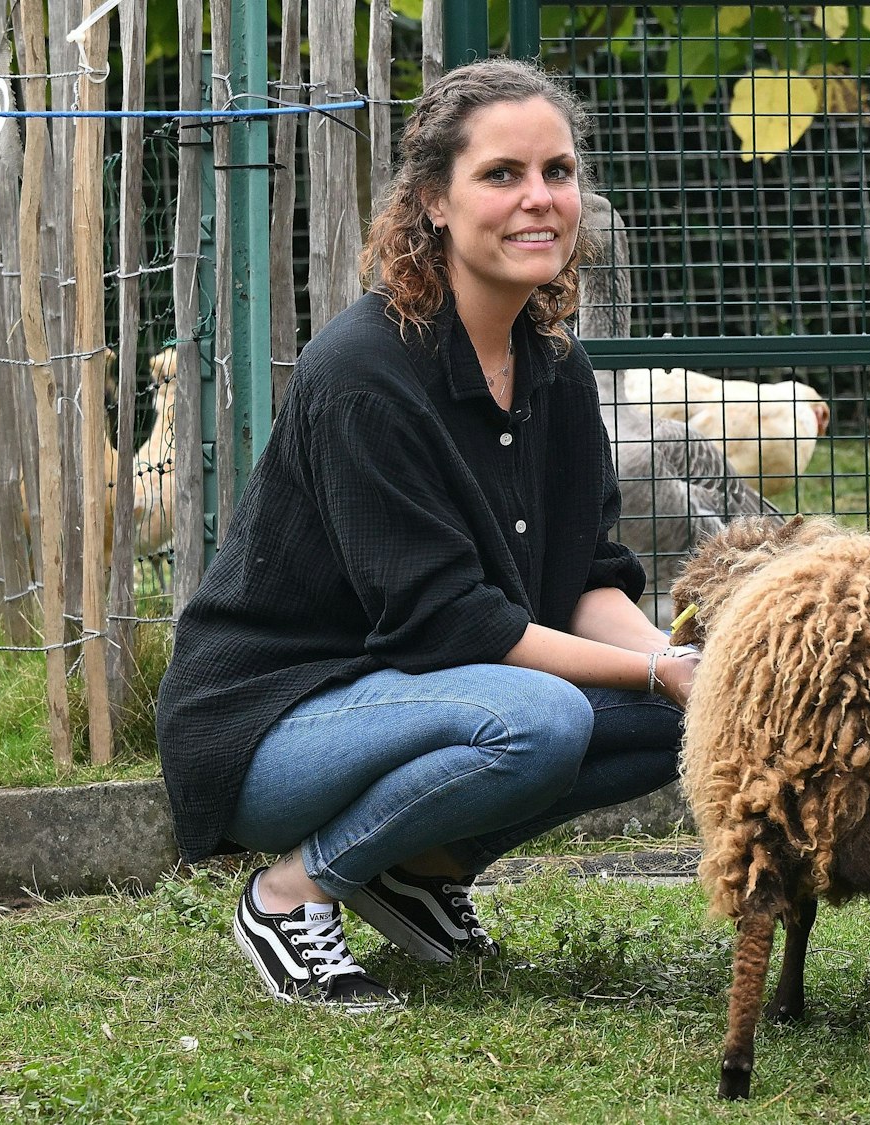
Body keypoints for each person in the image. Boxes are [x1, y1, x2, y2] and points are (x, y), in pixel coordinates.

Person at [154, 58, 699, 1011]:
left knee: (694, 715)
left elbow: (589, 578)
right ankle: (291, 892)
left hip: (426, 697)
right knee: (541, 720)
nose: (539, 199)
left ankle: (415, 872)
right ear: (435, 203)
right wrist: (655, 668)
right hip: (272, 724)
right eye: (502, 175)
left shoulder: (558, 371)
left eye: (558, 172)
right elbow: (448, 624)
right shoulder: (363, 374)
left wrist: (686, 667)